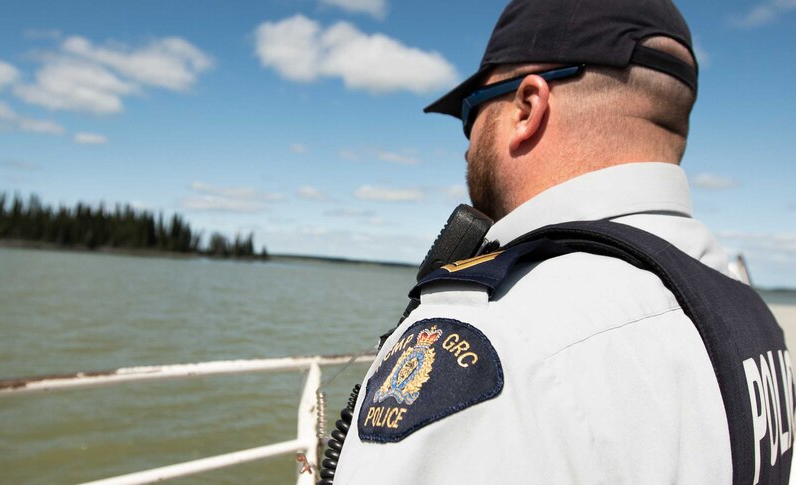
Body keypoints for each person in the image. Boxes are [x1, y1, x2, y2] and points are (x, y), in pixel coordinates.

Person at [331, 0, 793, 484]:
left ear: (528, 107)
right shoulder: (749, 312)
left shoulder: (496, 336)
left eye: (471, 114)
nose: (467, 146)